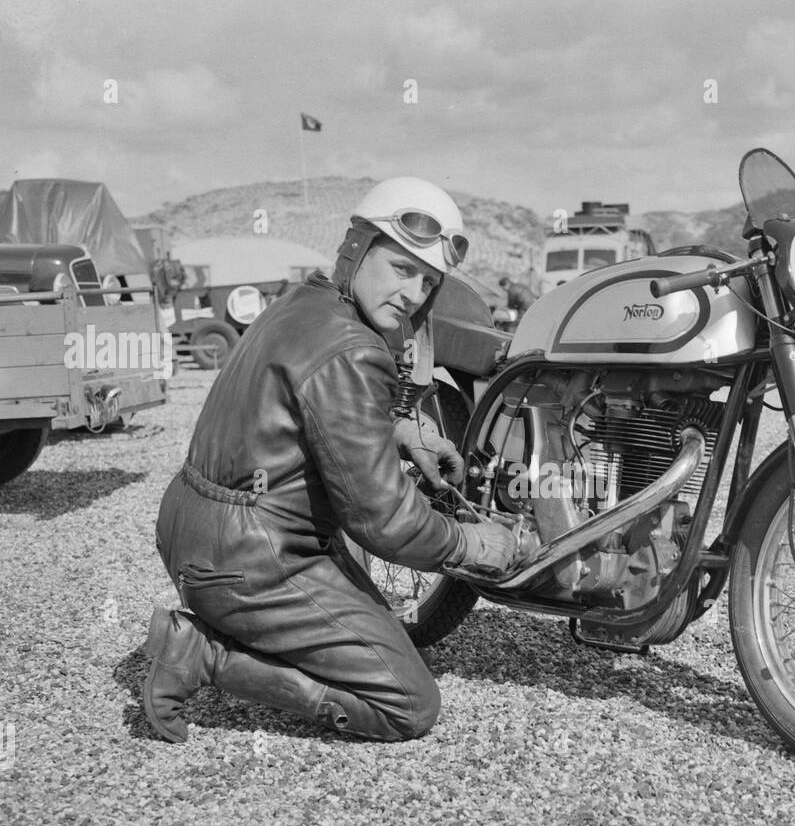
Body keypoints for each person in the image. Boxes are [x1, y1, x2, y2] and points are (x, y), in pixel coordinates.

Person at [143, 177, 522, 744]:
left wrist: (398, 432)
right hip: (254, 556)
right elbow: (384, 523)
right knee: (409, 704)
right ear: (357, 250)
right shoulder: (355, 349)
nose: (415, 294)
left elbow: (301, 407)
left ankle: (235, 626)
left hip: (201, 529)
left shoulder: (304, 302)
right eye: (401, 268)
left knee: (381, 636)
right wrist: (474, 546)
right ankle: (203, 655)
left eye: (428, 281)